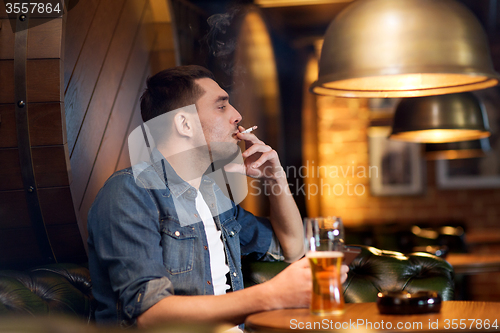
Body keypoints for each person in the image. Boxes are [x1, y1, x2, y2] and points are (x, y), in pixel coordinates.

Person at [87, 65, 348, 329]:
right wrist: (269, 296)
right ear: (184, 123)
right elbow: (150, 315)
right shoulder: (130, 191)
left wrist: (275, 178)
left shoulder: (213, 198)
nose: (237, 115)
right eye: (221, 106)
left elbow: (292, 248)